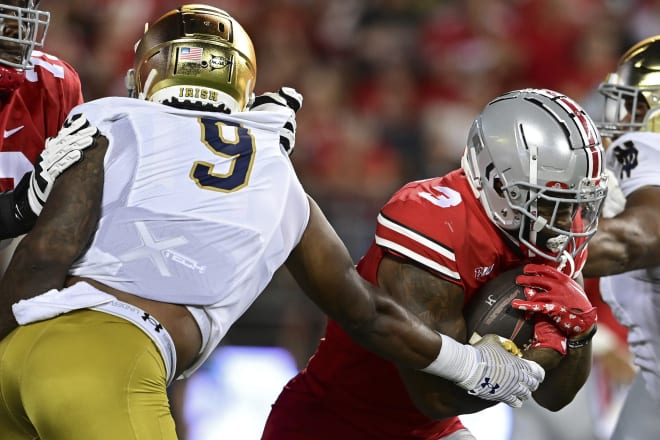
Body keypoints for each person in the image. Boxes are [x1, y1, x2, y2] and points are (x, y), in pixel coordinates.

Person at [0, 5, 545, 439]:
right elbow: (367, 312)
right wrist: (470, 366)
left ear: (145, 73)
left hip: (20, 349)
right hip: (108, 363)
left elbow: (45, 254)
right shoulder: (275, 169)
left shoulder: (110, 118)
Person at [262, 88, 608, 440]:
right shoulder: (435, 222)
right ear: (497, 182)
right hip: (334, 424)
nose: (567, 219)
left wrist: (581, 335)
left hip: (429, 432)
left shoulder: (557, 228)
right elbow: (435, 396)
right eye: (552, 202)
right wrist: (537, 360)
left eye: (575, 202)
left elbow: (555, 398)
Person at [583, 34, 660, 440]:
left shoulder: (645, 149)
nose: (622, 118)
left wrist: (526, 249)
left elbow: (638, 238)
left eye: (635, 105)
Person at [0, 0, 84, 264]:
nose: (18, 27)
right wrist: (16, 209)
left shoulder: (55, 81)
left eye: (23, 10)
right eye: (3, 11)